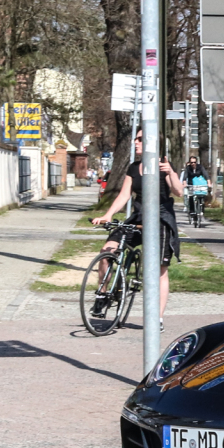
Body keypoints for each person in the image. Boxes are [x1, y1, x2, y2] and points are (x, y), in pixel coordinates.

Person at [91, 131, 183, 329]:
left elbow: (178, 191)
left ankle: (156, 318)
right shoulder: (134, 168)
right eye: (136, 139)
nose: (136, 142)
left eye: (140, 139)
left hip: (160, 220)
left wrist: (171, 173)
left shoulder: (162, 165)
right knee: (107, 251)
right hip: (138, 218)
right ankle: (103, 294)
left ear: (152, 142)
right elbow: (124, 195)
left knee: (159, 270)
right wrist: (108, 215)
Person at [181, 156, 208, 224]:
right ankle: (192, 212)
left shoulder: (200, 167)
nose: (193, 164)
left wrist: (209, 182)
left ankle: (201, 212)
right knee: (191, 197)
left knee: (202, 197)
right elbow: (185, 177)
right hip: (191, 184)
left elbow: (205, 175)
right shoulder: (188, 168)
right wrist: (184, 183)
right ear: (189, 163)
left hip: (199, 185)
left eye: (194, 162)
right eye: (191, 162)